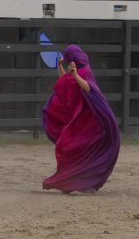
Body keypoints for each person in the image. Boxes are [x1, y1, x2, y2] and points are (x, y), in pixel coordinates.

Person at [41, 44, 120, 193]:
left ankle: (84, 183)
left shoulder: (84, 71)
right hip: (80, 120)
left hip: (89, 121)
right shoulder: (78, 70)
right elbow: (67, 81)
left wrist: (76, 74)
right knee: (70, 147)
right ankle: (71, 182)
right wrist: (60, 67)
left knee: (77, 148)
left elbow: (88, 87)